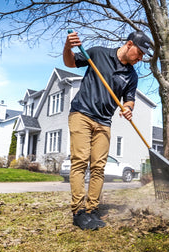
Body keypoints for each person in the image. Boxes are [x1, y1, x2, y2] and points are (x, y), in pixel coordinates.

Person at [63, 30, 153, 230]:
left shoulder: (131, 75)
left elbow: (129, 100)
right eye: (139, 53)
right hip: (82, 114)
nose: (140, 58)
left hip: (104, 122)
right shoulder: (97, 53)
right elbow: (70, 63)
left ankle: (91, 209)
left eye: (142, 56)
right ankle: (78, 211)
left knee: (99, 166)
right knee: (80, 161)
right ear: (129, 44)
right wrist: (68, 46)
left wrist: (128, 109)